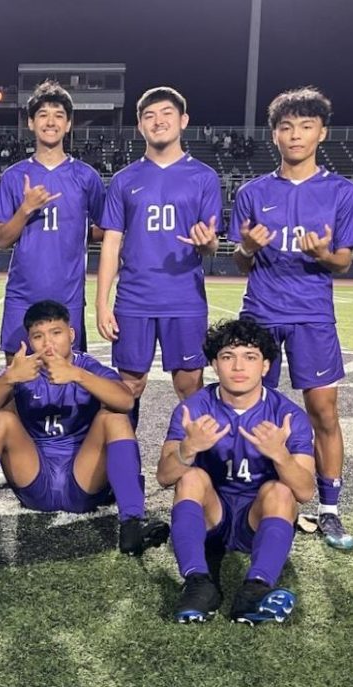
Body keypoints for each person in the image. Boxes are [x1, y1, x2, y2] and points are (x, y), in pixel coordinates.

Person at [0, 300, 169, 555]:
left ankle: (132, 524)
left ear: (71, 334)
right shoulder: (25, 369)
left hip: (83, 479)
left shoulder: (87, 367)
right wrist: (9, 378)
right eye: (38, 336)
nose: (48, 343)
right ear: (29, 340)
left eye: (56, 333)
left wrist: (77, 376)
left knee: (114, 418)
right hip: (35, 479)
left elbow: (126, 400)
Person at [230, 87, 353, 551]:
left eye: (306, 126)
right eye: (287, 127)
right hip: (261, 312)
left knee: (324, 410)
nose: (296, 135)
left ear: (321, 133)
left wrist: (324, 253)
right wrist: (248, 247)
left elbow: (345, 260)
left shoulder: (341, 191)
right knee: (251, 407)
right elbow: (239, 260)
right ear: (274, 135)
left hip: (312, 315)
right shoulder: (253, 192)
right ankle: (255, 499)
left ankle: (329, 509)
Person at [159, 319, 315, 624]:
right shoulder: (194, 409)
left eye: (250, 357)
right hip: (210, 517)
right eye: (228, 357)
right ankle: (198, 584)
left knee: (282, 491)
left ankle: (255, 591)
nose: (238, 366)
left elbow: (306, 492)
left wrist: (280, 456)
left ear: (266, 366)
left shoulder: (287, 415)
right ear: (215, 365)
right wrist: (188, 449)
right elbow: (165, 477)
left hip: (255, 520)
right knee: (190, 477)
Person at [95, 87, 222, 430]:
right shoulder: (124, 180)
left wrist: (208, 243)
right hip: (135, 298)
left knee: (189, 385)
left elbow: (210, 245)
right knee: (128, 387)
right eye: (149, 116)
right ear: (140, 126)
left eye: (166, 113)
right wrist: (101, 303)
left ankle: (197, 472)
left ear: (183, 120)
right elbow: (111, 242)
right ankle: (122, 468)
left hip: (184, 299)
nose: (158, 121)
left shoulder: (204, 177)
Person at [0, 81, 105, 361]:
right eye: (43, 114)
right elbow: (3, 239)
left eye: (58, 115)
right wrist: (26, 209)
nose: (50, 121)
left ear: (68, 124)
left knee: (68, 379)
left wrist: (77, 232)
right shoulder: (14, 177)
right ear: (31, 123)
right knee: (16, 376)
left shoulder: (86, 176)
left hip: (68, 296)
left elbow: (104, 228)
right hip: (23, 294)